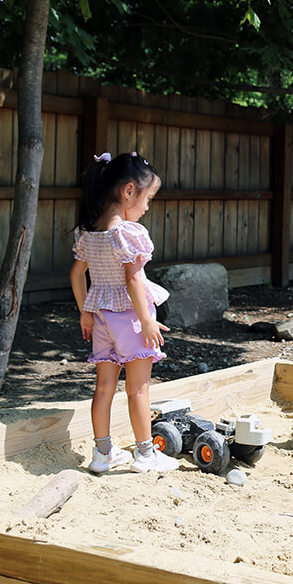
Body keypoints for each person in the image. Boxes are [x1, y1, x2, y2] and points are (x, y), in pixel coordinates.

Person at [70, 151, 179, 474]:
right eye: (148, 199)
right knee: (138, 388)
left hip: (101, 318)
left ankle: (103, 453)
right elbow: (133, 279)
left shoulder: (89, 234)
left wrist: (84, 312)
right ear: (129, 191)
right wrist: (146, 320)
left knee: (104, 387)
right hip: (130, 320)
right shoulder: (128, 233)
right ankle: (146, 454)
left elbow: (77, 275)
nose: (146, 207)